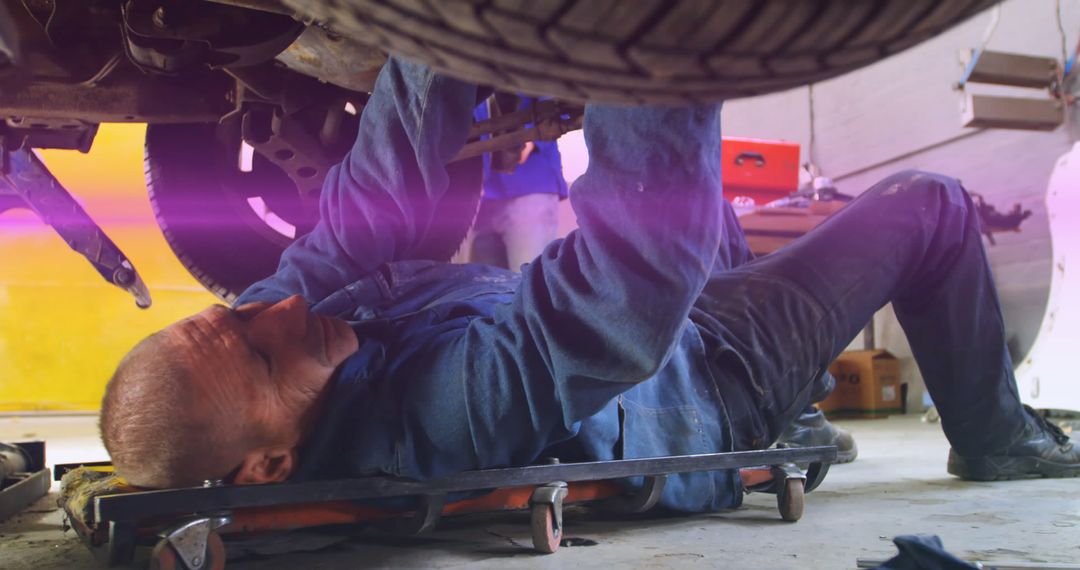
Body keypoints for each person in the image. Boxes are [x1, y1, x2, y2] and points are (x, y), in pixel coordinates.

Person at [100, 58, 1078, 510]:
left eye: (238, 315)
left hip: (669, 331)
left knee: (694, 187)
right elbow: (622, 292)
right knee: (930, 206)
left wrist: (434, 36)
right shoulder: (432, 423)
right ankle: (1000, 441)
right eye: (263, 348)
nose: (279, 303)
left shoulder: (284, 326)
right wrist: (631, 48)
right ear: (266, 465)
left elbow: (373, 206)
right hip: (714, 379)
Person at [467, 93, 569, 271]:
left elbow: (562, 98)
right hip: (479, 196)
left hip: (529, 189)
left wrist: (529, 137)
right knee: (485, 288)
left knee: (532, 285)